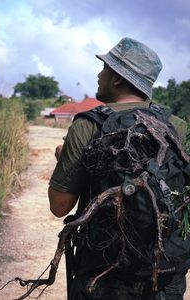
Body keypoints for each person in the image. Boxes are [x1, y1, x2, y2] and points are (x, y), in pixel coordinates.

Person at [48, 37, 187, 299]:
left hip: (103, 280)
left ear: (117, 79)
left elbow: (59, 206)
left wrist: (63, 157)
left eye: (105, 68)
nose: (99, 74)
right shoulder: (177, 127)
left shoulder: (88, 125)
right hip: (166, 278)